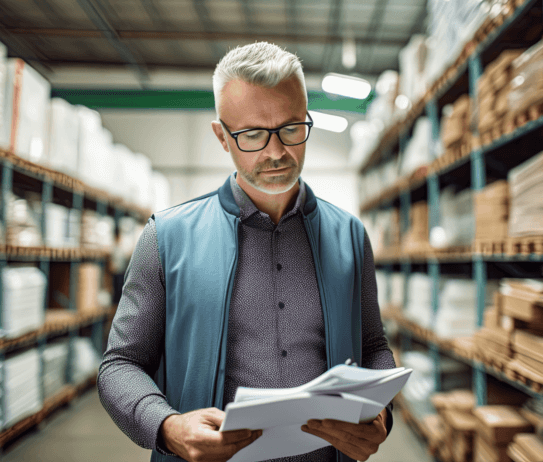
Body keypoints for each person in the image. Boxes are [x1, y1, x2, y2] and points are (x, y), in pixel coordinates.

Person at [98, 42, 397, 462]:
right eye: (253, 135)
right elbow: (120, 365)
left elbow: (372, 345)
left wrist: (382, 412)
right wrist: (166, 426)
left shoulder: (349, 234)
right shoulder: (166, 238)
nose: (276, 152)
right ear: (222, 136)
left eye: (291, 129)